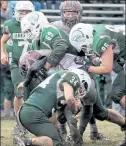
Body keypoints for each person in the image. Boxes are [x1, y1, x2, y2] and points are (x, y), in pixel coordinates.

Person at [69, 23, 125, 145]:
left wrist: (87, 67)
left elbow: (106, 69)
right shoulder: (95, 30)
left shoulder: (99, 40)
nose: (85, 49)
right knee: (109, 102)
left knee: (118, 93)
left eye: (84, 46)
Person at [14, 68, 93, 146]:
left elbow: (59, 119)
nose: (80, 91)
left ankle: (29, 142)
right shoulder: (72, 76)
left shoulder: (58, 79)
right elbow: (70, 99)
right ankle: (25, 142)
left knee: (56, 139)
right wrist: (75, 108)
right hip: (34, 112)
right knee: (56, 142)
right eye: (83, 87)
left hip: (27, 111)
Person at [1, 0, 35, 135]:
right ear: (16, 12)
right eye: (22, 11)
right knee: (19, 91)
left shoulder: (38, 23)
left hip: (33, 63)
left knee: (33, 93)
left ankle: (32, 121)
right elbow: (3, 41)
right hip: (15, 62)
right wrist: (2, 53)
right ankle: (19, 122)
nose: (24, 14)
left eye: (27, 11)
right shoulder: (10, 24)